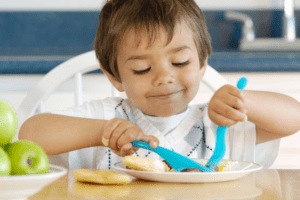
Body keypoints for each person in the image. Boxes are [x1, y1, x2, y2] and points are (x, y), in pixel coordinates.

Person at [19, 0, 300, 170]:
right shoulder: (107, 117)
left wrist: (244, 103)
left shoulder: (219, 126)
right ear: (115, 76)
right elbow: (30, 134)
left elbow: (293, 117)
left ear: (202, 63)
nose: (164, 78)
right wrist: (102, 132)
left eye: (179, 62)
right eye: (142, 68)